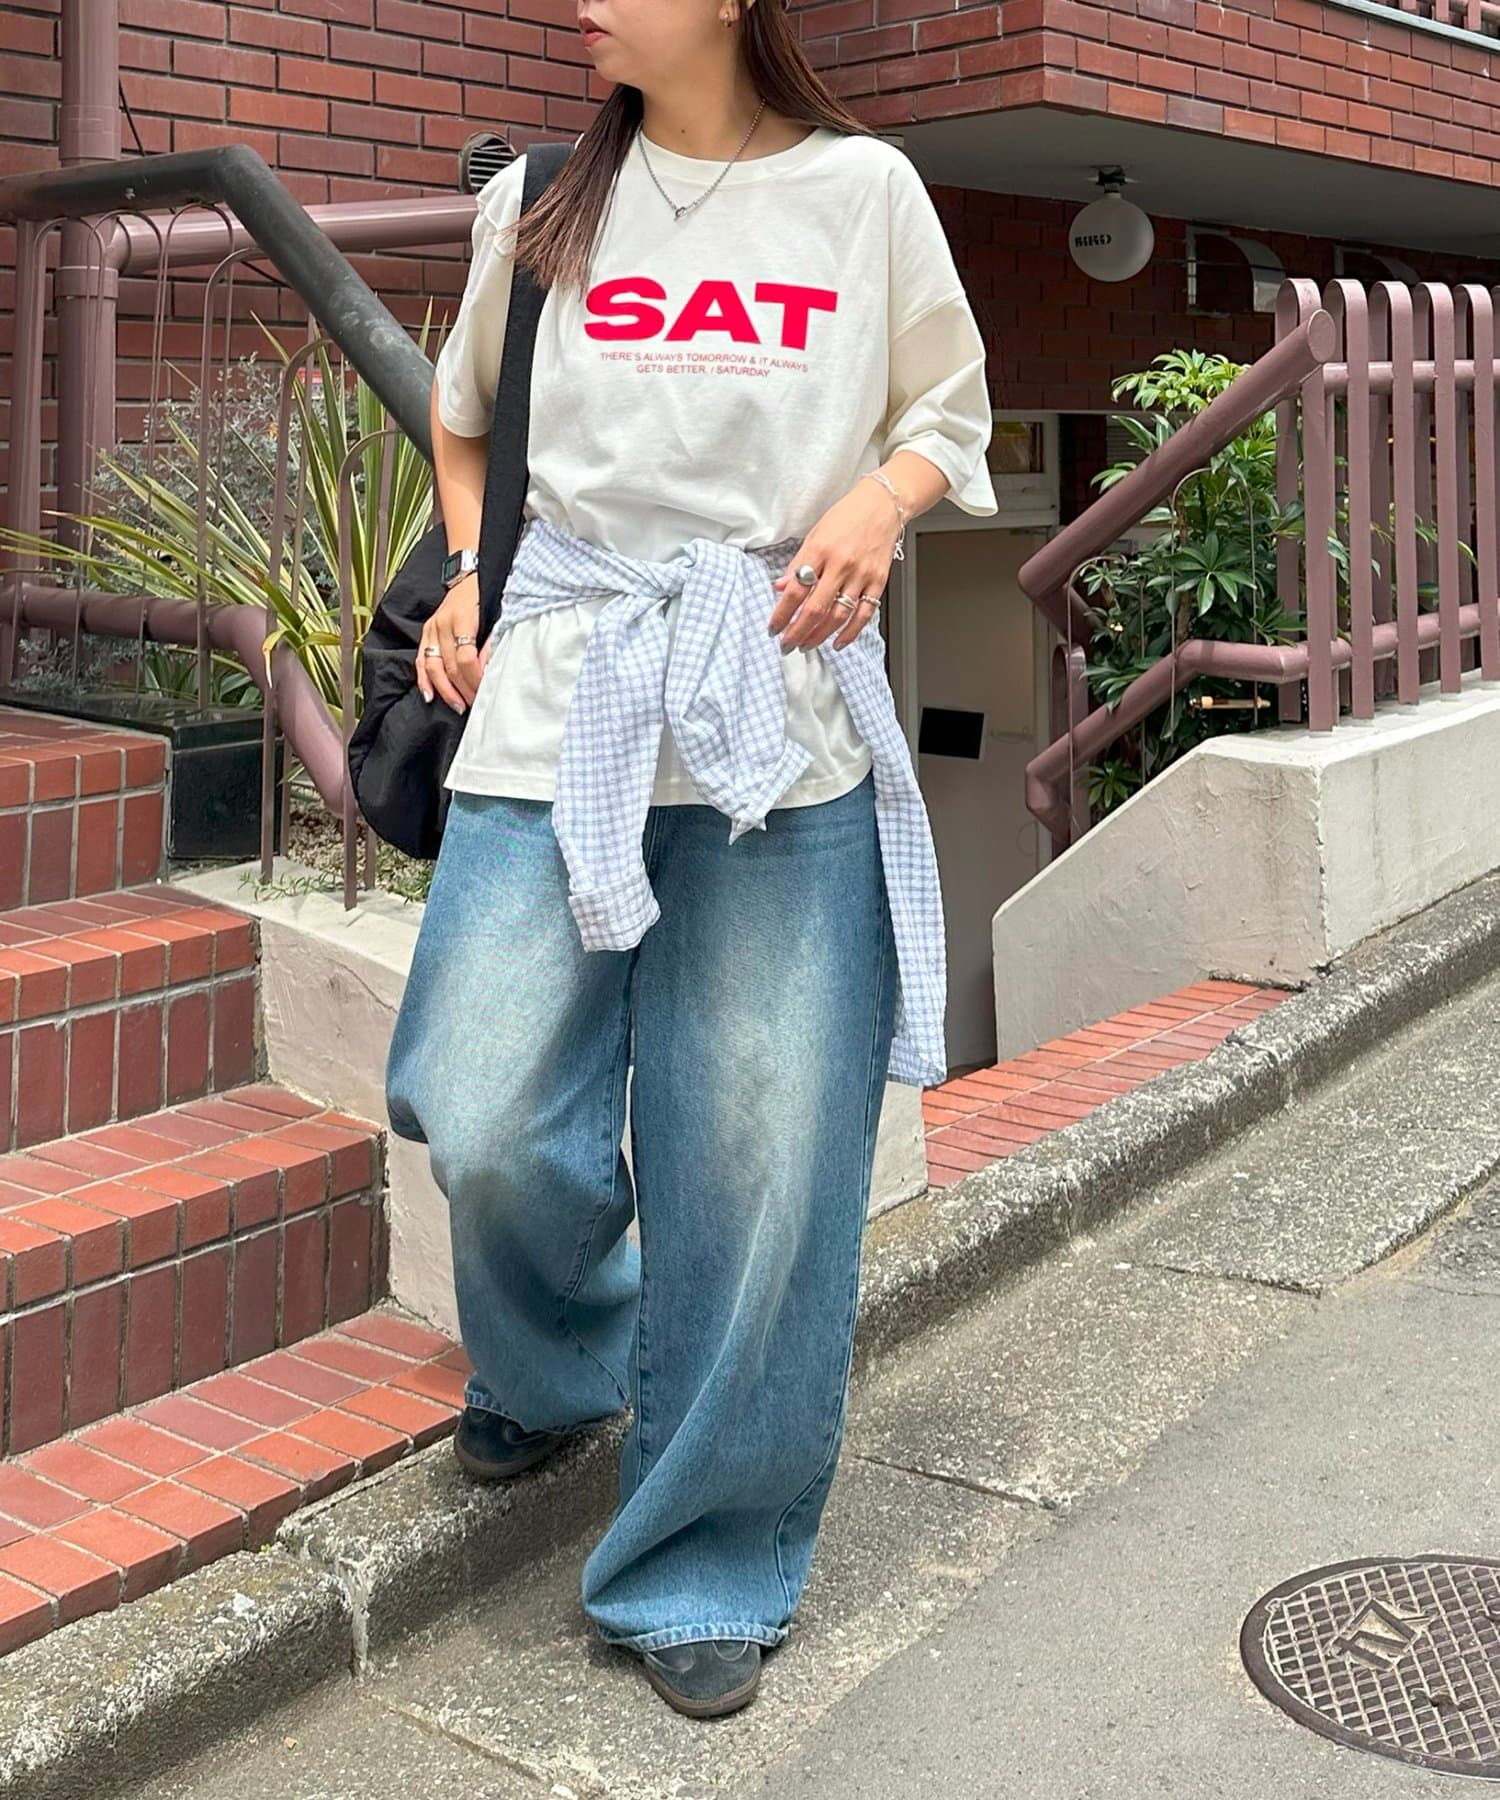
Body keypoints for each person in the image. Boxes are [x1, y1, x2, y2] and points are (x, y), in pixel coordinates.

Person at [383, 0, 999, 1722]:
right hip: (559, 698)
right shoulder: (537, 204)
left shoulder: (863, 193)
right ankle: (566, 1358)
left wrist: (877, 503)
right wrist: (471, 573)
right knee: (480, 1104)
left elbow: (949, 411)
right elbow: (463, 418)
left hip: (774, 725)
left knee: (759, 1151)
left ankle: (705, 1560)